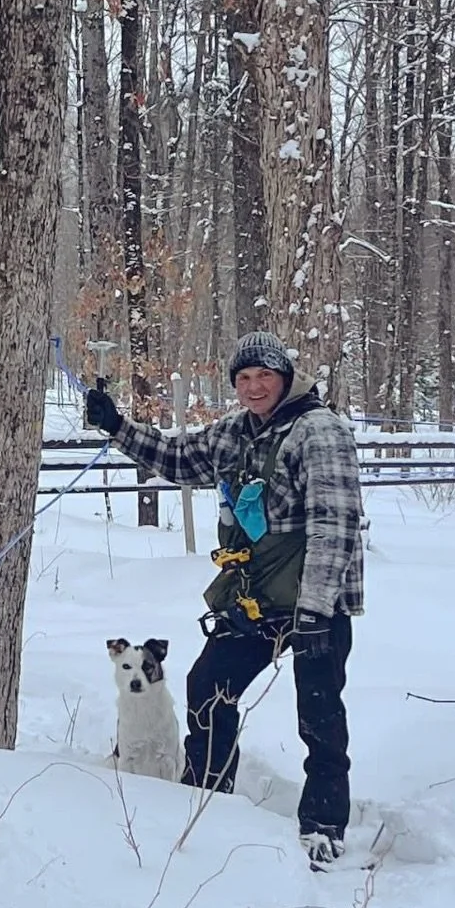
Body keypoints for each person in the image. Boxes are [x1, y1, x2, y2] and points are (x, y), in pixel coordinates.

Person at [84, 332, 364, 867]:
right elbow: (179, 458)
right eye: (243, 379)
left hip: (317, 604)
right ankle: (205, 797)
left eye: (264, 376)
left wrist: (315, 613)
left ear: (285, 377)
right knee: (209, 687)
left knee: (319, 712)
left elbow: (337, 524)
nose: (254, 387)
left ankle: (324, 824)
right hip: (255, 600)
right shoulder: (236, 432)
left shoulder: (320, 431)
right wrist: (116, 425)